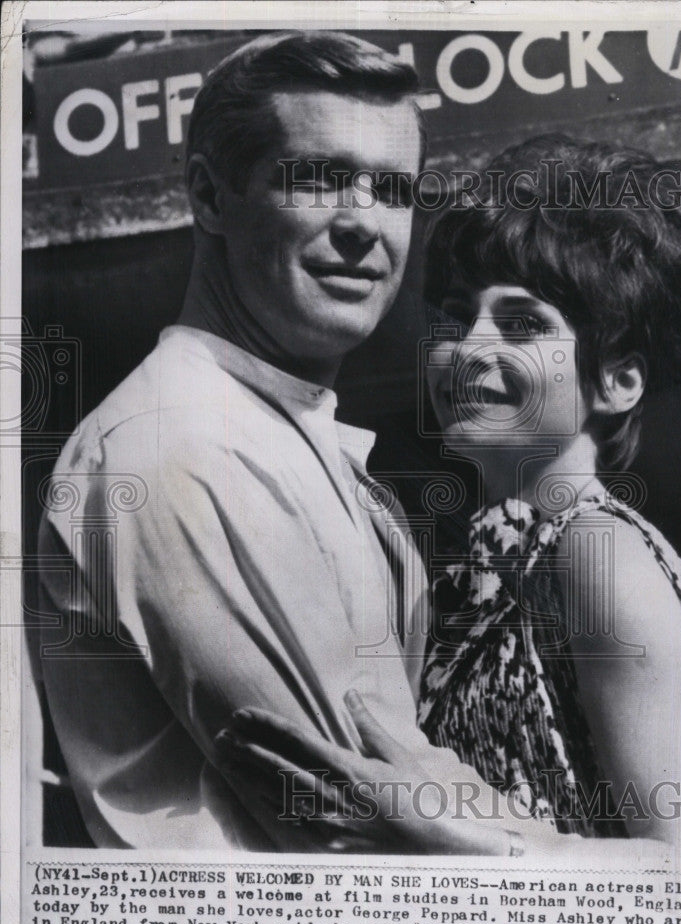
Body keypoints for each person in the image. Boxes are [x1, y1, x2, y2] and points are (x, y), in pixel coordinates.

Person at [34, 30, 563, 858]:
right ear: (209, 196)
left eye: (391, 189)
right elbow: (381, 830)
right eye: (317, 178)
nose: (362, 224)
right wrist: (636, 862)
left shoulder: (268, 424)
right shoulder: (183, 446)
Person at [218, 135, 681, 862]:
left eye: (522, 324)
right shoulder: (484, 571)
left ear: (617, 380)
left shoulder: (595, 550)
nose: (467, 349)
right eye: (457, 315)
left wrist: (440, 837)